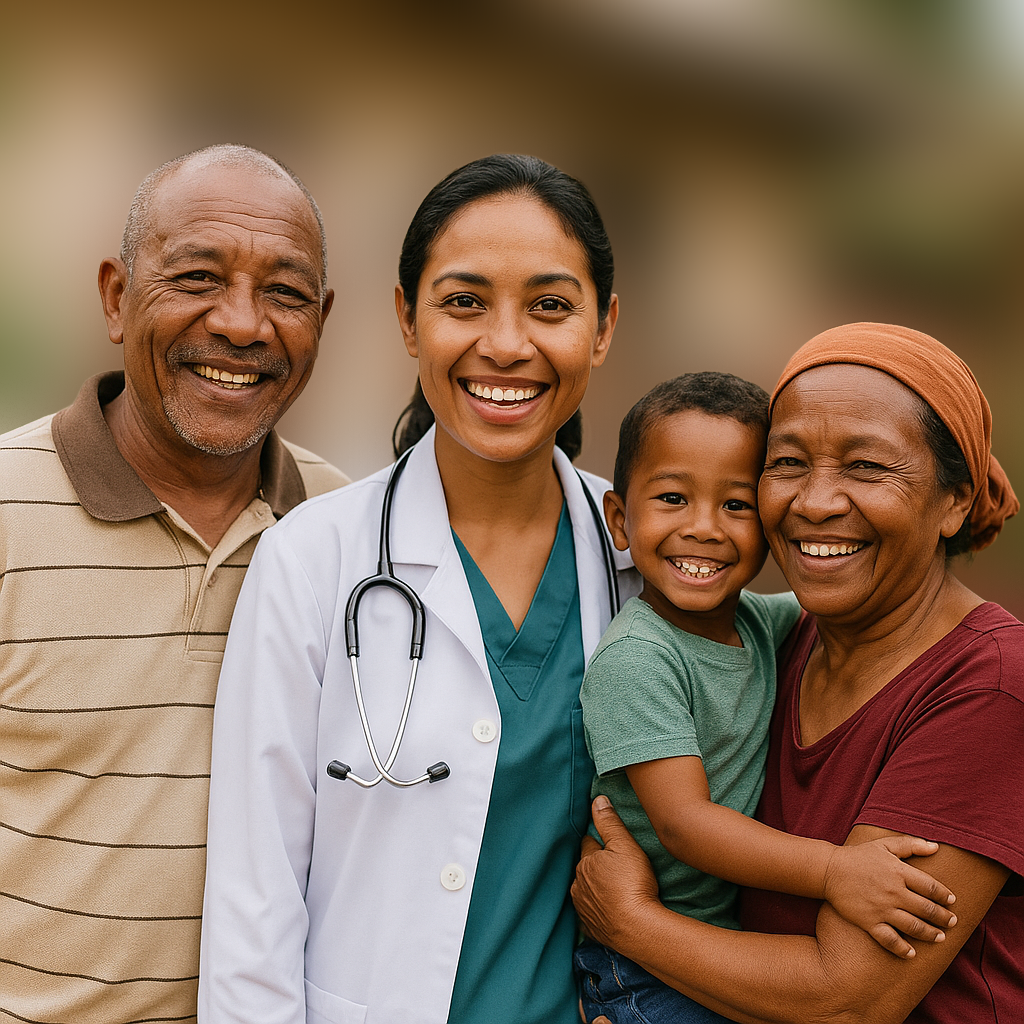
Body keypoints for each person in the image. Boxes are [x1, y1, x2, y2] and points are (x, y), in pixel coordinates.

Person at [197, 153, 638, 1024]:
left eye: (550, 306)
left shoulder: (646, 556)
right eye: (464, 301)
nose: (505, 344)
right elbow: (254, 905)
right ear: (407, 318)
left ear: (603, 327)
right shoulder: (312, 560)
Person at [572, 322, 1023, 1024]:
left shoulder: (987, 685)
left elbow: (849, 1000)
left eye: (866, 467)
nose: (815, 502)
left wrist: (630, 922)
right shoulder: (786, 640)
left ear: (955, 500)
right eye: (787, 463)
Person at [0, 144, 346, 1024]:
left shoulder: (347, 533)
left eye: (285, 293)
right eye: (196, 278)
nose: (242, 324)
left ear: (323, 321)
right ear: (116, 297)